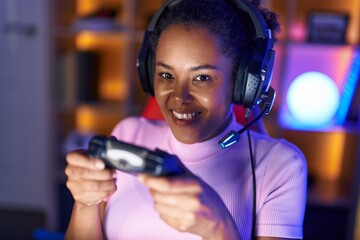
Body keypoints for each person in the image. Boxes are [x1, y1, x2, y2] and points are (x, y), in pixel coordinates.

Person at [64, 0, 307, 239]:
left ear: (243, 82)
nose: (180, 97)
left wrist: (218, 228)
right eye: (166, 74)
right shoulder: (129, 134)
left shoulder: (281, 166)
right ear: (149, 73)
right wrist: (85, 204)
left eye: (202, 78)